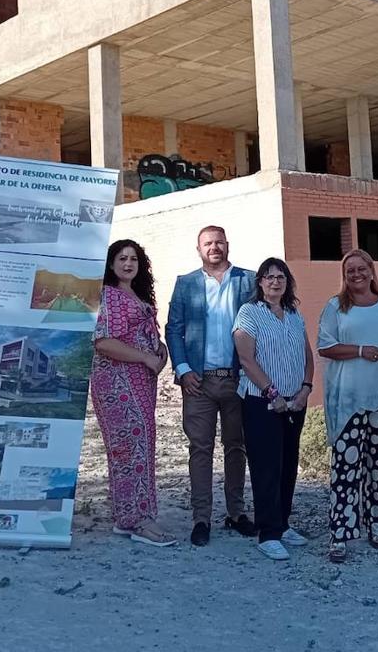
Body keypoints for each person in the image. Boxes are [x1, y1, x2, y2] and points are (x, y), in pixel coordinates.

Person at [166, 225, 258, 545]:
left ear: (227, 245)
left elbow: (258, 326)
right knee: (200, 450)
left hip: (238, 379)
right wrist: (182, 369)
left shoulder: (249, 280)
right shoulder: (186, 284)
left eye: (219, 242)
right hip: (198, 383)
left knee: (237, 448)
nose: (214, 247)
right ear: (199, 249)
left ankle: (236, 513)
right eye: (208, 243)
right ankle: (201, 518)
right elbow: (173, 330)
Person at [317, 249, 378, 564]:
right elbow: (325, 346)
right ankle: (341, 533)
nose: (356, 274)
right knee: (346, 469)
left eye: (361, 269)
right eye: (350, 270)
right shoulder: (336, 307)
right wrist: (358, 350)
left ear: (371, 271)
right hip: (348, 403)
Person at [90, 239, 176, 547]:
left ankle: (139, 516)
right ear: (111, 263)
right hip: (117, 382)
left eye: (134, 260)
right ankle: (134, 520)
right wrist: (145, 357)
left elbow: (142, 337)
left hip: (140, 383)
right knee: (128, 447)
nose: (128, 264)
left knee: (141, 444)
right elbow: (104, 342)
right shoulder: (109, 296)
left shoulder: (135, 296)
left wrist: (159, 351)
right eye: (122, 258)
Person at [232, 257, 315, 561]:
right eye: (268, 277)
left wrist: (306, 388)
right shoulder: (249, 313)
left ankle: (283, 524)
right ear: (260, 283)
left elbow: (306, 354)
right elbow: (246, 359)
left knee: (288, 464)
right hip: (262, 402)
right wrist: (272, 392)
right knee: (266, 467)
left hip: (294, 402)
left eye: (280, 277)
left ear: (287, 282)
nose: (275, 282)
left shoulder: (294, 314)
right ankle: (267, 533)